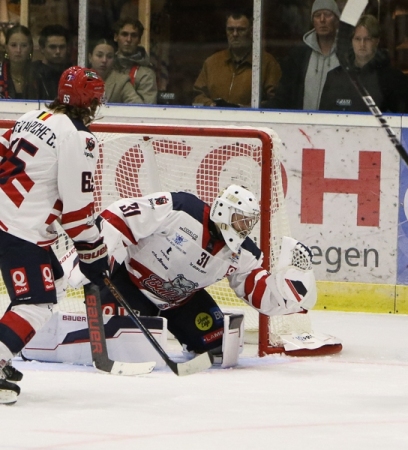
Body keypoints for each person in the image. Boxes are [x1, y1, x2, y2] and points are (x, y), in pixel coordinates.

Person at [87, 185, 317, 363]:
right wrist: (95, 255)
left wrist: (290, 288)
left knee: (221, 347)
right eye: (240, 220)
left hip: (181, 302)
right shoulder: (181, 208)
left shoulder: (244, 253)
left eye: (248, 223)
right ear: (223, 211)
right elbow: (121, 215)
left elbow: (257, 290)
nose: (243, 228)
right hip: (129, 287)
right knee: (122, 347)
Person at [0, 66, 109, 404]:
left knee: (56, 280)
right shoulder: (79, 137)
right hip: (19, 230)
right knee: (37, 301)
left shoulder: (32, 115)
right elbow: (77, 215)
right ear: (88, 102)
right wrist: (95, 255)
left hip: (8, 218)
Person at [319, 15, 408, 113]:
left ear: (377, 41)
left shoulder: (396, 80)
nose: (362, 44)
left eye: (367, 39)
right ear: (351, 41)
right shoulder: (334, 77)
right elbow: (323, 118)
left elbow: (405, 122)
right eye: (357, 39)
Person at [192, 10, 281, 107]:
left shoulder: (267, 63)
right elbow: (197, 96)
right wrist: (211, 105)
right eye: (230, 29)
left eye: (241, 30)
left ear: (251, 32)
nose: (235, 34)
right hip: (215, 120)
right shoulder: (212, 62)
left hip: (250, 121)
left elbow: (276, 101)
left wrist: (245, 110)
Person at [267, 0, 340, 110]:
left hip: (339, 123)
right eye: (317, 15)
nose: (322, 19)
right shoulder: (299, 55)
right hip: (304, 123)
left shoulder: (347, 54)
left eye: (328, 14)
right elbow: (284, 96)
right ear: (312, 21)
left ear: (336, 20)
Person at [113, 17, 158, 104]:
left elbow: (147, 111)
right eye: (124, 34)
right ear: (116, 37)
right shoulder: (106, 65)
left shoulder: (146, 73)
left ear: (139, 40)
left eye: (133, 36)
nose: (129, 40)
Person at [88, 38, 143, 103]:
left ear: (114, 60)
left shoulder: (121, 82)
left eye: (109, 57)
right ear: (90, 58)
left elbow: (137, 106)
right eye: (99, 55)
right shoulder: (80, 78)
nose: (104, 60)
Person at [31, 24, 72, 101]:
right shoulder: (32, 73)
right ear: (42, 48)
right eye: (52, 47)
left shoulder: (71, 73)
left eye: (62, 47)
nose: (58, 51)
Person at [0, 25, 38, 99]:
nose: (18, 50)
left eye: (24, 45)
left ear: (30, 48)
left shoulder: (39, 76)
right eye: (13, 45)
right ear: (6, 48)